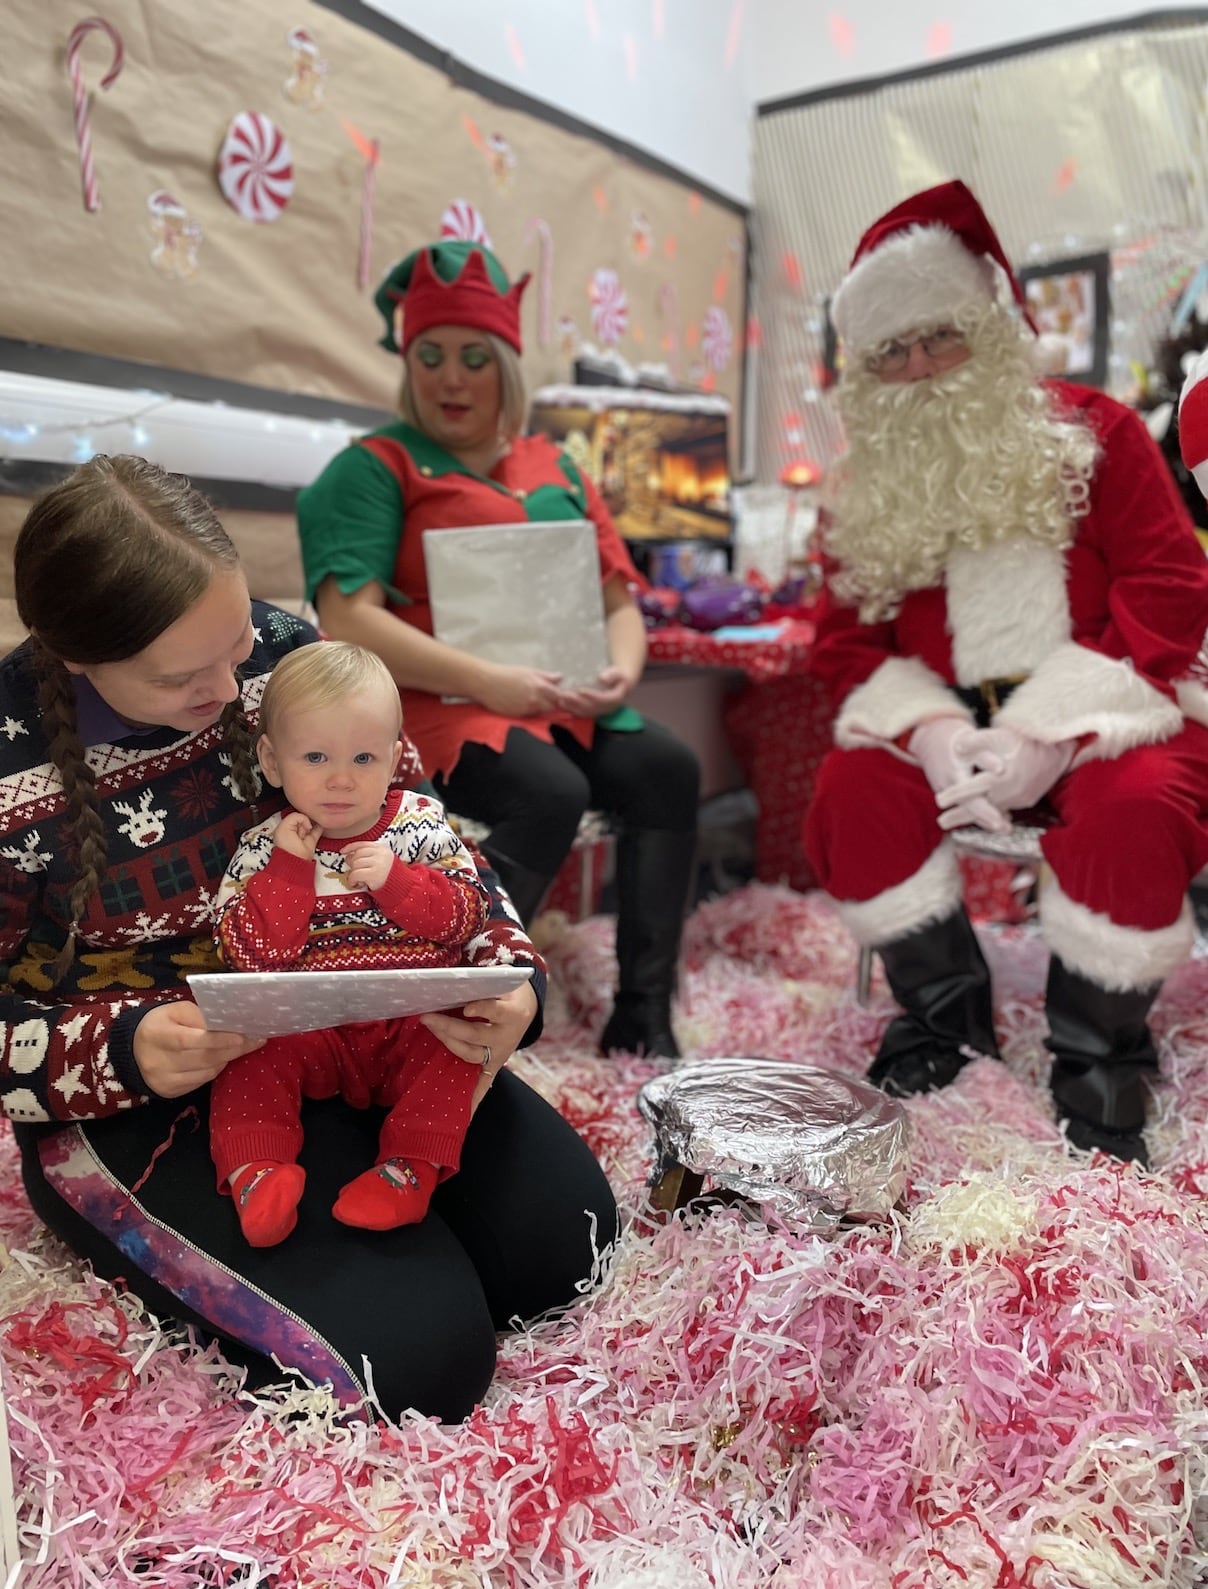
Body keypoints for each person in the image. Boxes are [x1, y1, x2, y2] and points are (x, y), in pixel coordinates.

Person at [2, 453, 618, 1424]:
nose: (235, 677)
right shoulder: (10, 756)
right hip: (146, 1091)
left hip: (356, 1024)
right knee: (420, 1361)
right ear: (77, 657)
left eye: (239, 636)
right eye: (183, 675)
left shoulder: (287, 653)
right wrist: (124, 1049)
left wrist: (509, 981)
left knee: (567, 1248)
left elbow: (419, 825)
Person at [802, 179, 1208, 1167]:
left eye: (938, 335)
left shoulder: (1097, 432)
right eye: (890, 351)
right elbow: (845, 646)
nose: (919, 367)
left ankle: (1097, 1041)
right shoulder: (862, 488)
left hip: (1115, 708)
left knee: (1140, 805)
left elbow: (1167, 585)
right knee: (849, 790)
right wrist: (931, 733)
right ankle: (946, 1018)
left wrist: (1051, 732)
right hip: (947, 728)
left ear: (989, 323)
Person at [296, 238, 701, 1059]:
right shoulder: (376, 467)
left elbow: (617, 598)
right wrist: (489, 680)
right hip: (443, 704)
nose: (451, 377)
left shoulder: (557, 463)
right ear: (408, 365)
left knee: (671, 768)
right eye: (431, 356)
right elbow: (349, 618)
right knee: (545, 791)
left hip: (561, 696)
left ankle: (645, 1014)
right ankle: (440, 1002)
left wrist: (621, 667)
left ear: (505, 366)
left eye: (474, 357)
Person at [210, 640, 499, 1247]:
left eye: (364, 758)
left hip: (411, 1021)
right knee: (249, 1050)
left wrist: (398, 881)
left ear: (394, 757)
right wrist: (290, 871)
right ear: (272, 758)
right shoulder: (265, 846)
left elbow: (468, 916)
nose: (341, 779)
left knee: (459, 1050)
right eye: (315, 757)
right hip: (312, 1030)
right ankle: (255, 1171)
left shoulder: (418, 822)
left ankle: (409, 1171)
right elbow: (250, 957)